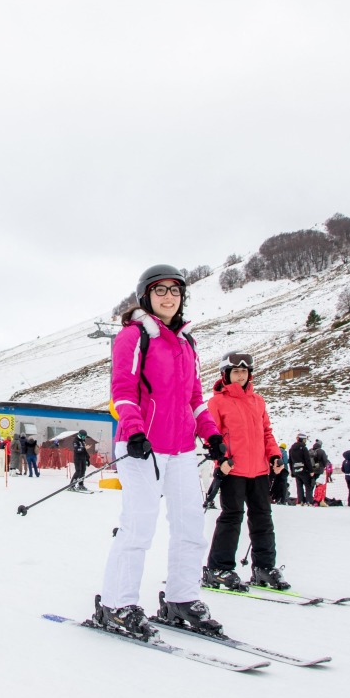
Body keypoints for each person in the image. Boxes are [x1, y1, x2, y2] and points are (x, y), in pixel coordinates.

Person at [93, 264, 222, 639]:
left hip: (181, 447)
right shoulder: (135, 336)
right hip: (142, 447)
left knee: (190, 526)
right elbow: (123, 389)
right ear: (146, 296)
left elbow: (194, 398)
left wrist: (211, 434)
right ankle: (117, 604)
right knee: (139, 525)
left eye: (175, 291)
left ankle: (182, 598)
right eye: (160, 290)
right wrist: (133, 431)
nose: (168, 296)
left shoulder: (186, 342)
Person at [202, 351, 288, 593]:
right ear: (226, 375)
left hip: (259, 470)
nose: (240, 376)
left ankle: (264, 567)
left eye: (244, 371)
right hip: (233, 470)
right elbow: (211, 436)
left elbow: (266, 433)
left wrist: (274, 456)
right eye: (235, 372)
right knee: (232, 517)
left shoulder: (257, 401)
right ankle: (219, 568)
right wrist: (222, 459)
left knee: (263, 517)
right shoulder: (217, 402)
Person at [287, 433, 314, 505]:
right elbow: (307, 460)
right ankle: (309, 501)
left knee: (299, 486)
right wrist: (311, 470)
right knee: (308, 486)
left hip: (296, 470)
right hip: (304, 470)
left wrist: (292, 471)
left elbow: (290, 461)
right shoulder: (303, 448)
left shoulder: (291, 449)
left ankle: (300, 501)